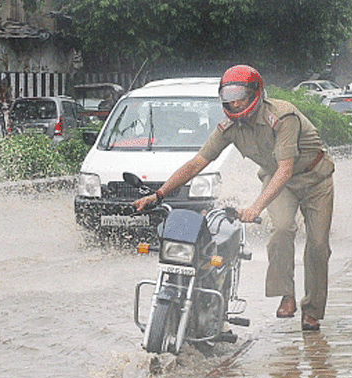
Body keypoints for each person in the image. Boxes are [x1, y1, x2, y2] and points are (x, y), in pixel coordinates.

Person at [134, 65, 334, 332]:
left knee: (318, 245)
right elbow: (197, 163)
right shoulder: (229, 127)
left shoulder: (283, 117)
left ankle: (312, 311)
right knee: (283, 228)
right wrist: (158, 194)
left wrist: (255, 207)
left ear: (256, 93)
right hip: (277, 182)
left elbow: (286, 168)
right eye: (229, 96)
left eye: (240, 95)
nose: (235, 102)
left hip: (315, 179)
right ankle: (286, 293)